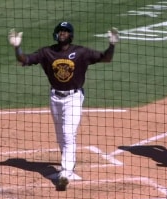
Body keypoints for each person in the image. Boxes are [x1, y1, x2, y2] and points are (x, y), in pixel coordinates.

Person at [8, 21, 119, 190]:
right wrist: (17, 48)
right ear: (55, 34)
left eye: (66, 31)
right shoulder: (47, 52)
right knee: (61, 135)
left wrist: (111, 45)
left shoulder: (81, 52)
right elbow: (25, 59)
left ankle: (65, 172)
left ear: (71, 35)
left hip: (74, 98)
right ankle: (68, 166)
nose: (62, 33)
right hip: (55, 98)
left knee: (68, 134)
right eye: (60, 31)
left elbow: (106, 58)